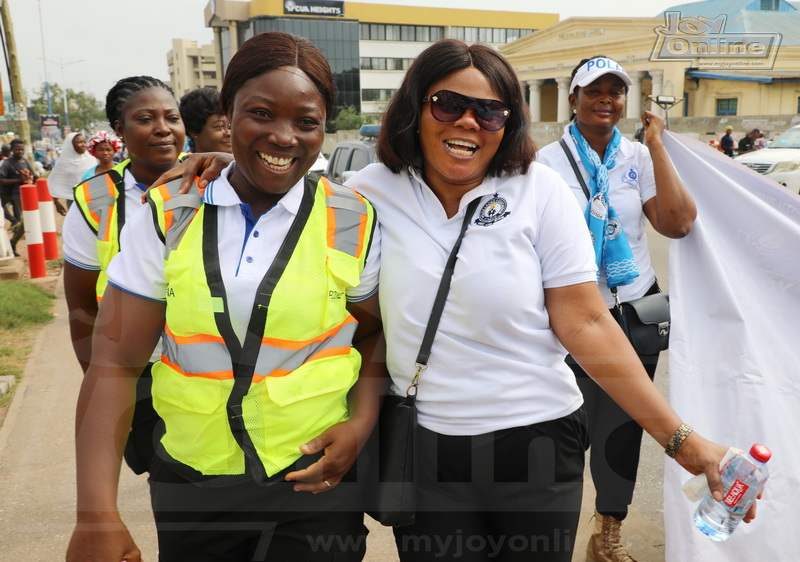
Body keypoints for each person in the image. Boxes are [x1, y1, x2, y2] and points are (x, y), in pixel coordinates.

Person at [163, 39, 758, 562]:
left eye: (490, 110)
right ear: (416, 108)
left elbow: (587, 322)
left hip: (538, 446)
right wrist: (218, 167)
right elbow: (286, 189)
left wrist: (681, 441)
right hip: (424, 451)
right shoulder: (368, 194)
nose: (469, 122)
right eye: (448, 104)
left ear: (509, 122)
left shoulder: (537, 189)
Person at [66, 32, 383, 562]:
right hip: (193, 483)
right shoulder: (172, 211)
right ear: (226, 113)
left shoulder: (350, 217)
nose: (284, 137)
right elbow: (115, 361)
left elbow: (371, 336)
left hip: (314, 483)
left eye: (306, 122)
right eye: (261, 113)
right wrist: (96, 514)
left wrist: (360, 423)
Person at [537, 55, 697, 562]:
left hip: (630, 314)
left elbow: (676, 223)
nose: (607, 99)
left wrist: (656, 145)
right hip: (568, 319)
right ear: (573, 98)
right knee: (561, 430)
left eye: (616, 91)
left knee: (623, 430)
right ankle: (546, 533)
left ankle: (607, 534)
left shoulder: (638, 156)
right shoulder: (546, 162)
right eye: (594, 90)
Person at [62, 76, 187, 486]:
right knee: (173, 484)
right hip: (142, 371)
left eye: (172, 116)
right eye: (146, 118)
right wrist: (104, 387)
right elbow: (81, 305)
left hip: (208, 366)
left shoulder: (218, 182)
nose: (163, 127)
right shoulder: (95, 199)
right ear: (120, 131)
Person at [0, 138, 37, 256]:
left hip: (28, 195)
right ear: (12, 150)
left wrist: (36, 178)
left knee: (26, 221)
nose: (20, 152)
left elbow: (33, 174)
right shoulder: (7, 163)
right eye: (17, 149)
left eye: (22, 149)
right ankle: (13, 242)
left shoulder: (25, 161)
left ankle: (13, 241)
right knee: (25, 221)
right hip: (16, 195)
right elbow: (1, 180)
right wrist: (18, 180)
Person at [46, 132, 97, 215]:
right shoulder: (62, 163)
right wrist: (56, 202)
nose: (83, 145)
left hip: (92, 200)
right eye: (79, 142)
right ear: (70, 145)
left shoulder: (92, 160)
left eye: (84, 142)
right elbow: (53, 181)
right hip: (73, 201)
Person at [179, 86, 232, 153]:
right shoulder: (182, 162)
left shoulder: (244, 161)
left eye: (230, 125)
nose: (229, 133)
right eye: (219, 126)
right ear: (193, 131)